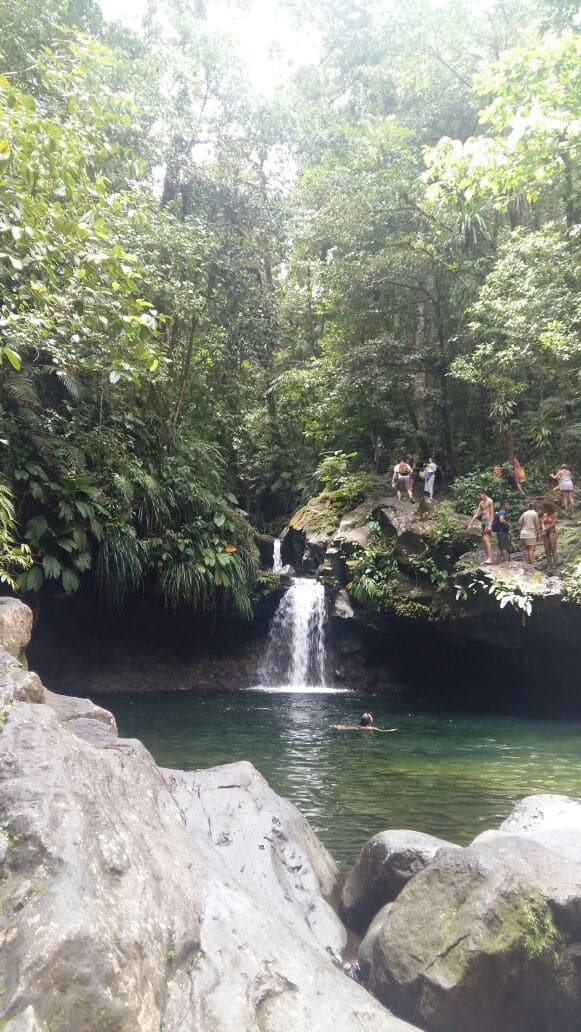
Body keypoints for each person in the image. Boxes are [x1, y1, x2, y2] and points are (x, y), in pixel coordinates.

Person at [466, 490, 494, 564]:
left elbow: (492, 513)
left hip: (488, 521)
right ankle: (487, 558)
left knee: (486, 539)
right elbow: (476, 514)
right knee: (483, 541)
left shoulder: (490, 501)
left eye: (480, 495)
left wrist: (490, 525)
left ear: (484, 494)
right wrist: (470, 524)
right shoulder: (481, 503)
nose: (479, 497)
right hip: (483, 522)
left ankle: (490, 558)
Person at [541, 501, 558, 574]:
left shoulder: (555, 514)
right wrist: (543, 528)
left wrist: (545, 529)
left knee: (553, 549)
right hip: (545, 533)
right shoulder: (545, 514)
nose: (544, 509)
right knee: (547, 550)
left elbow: (553, 524)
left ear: (549, 508)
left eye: (545, 508)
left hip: (552, 532)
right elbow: (542, 522)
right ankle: (549, 565)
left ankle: (554, 565)